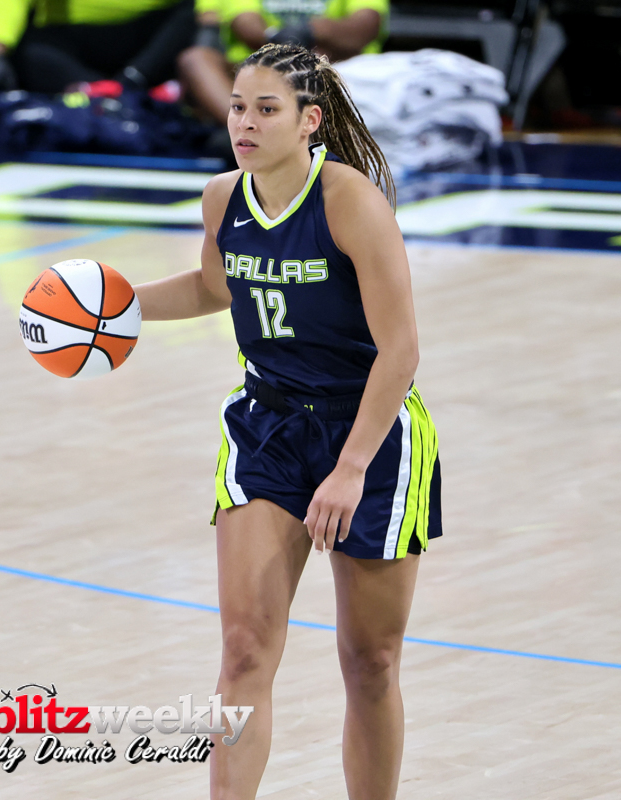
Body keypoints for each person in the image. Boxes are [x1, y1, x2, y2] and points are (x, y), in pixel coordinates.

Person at [134, 42, 442, 799]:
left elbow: (401, 352)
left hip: (369, 433)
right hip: (267, 426)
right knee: (243, 652)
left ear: (309, 121)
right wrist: (112, 307)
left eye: (266, 110)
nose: (244, 122)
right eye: (238, 106)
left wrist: (350, 469)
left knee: (369, 662)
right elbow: (216, 287)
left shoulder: (349, 203)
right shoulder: (223, 198)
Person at [178, 0, 387, 127]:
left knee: (318, 58)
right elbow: (245, 23)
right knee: (196, 59)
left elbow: (365, 26)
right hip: (257, 71)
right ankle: (246, 129)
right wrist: (280, 38)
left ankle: (306, 133)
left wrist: (311, 32)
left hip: (331, 72)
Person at [0, 0, 195, 94]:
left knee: (191, 13)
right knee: (30, 50)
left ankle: (132, 83)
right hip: (73, 42)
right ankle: (106, 93)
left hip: (149, 45)